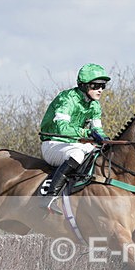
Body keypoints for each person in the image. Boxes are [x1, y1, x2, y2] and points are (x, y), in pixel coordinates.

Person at [39, 63, 111, 207]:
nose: (100, 90)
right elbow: (61, 128)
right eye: (96, 85)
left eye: (103, 86)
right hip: (53, 143)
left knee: (100, 154)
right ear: (84, 85)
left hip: (75, 144)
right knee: (77, 155)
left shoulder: (95, 105)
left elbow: (98, 129)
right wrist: (88, 133)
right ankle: (50, 196)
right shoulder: (66, 99)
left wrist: (106, 140)